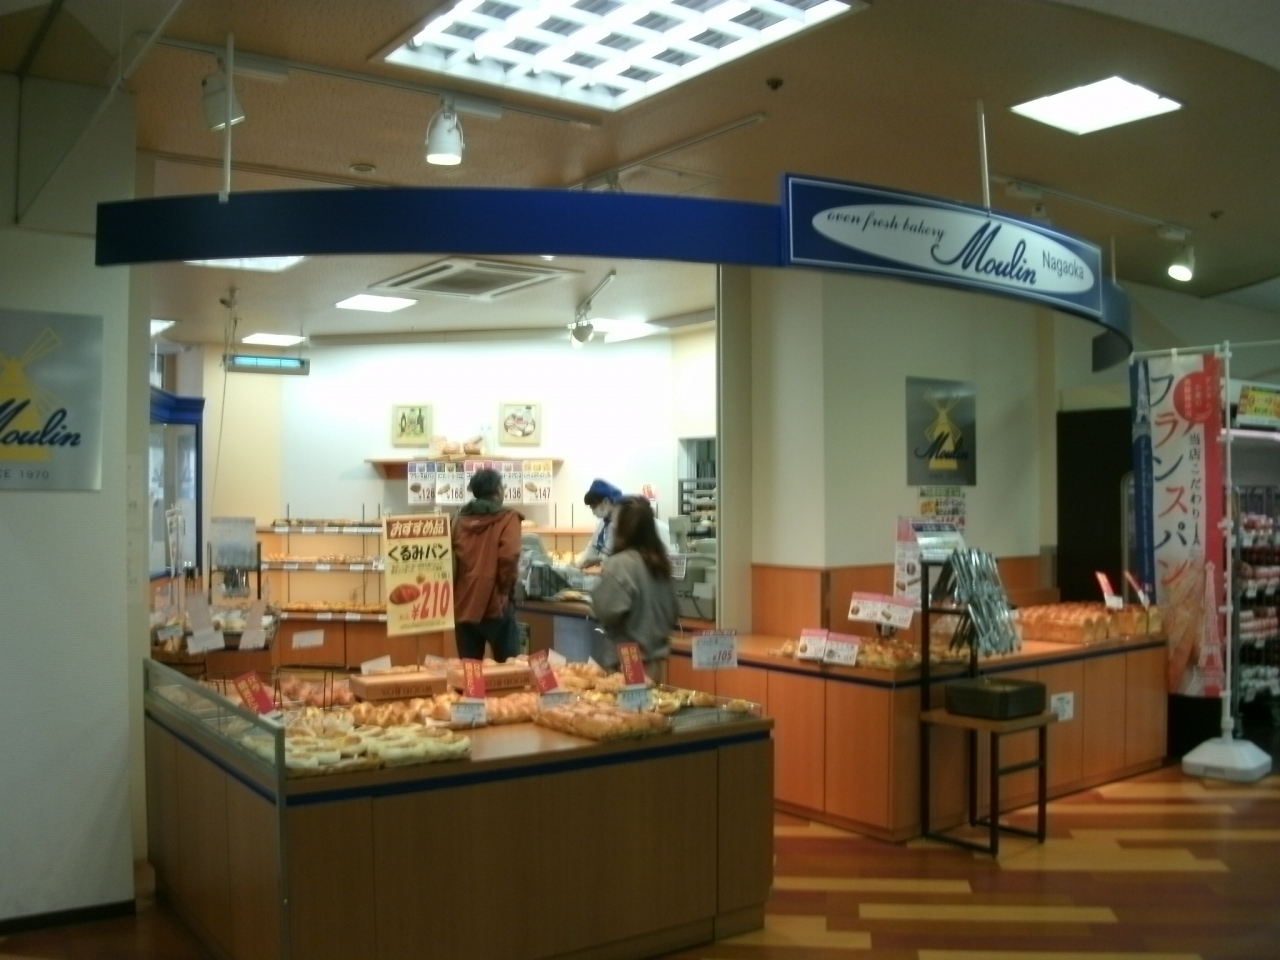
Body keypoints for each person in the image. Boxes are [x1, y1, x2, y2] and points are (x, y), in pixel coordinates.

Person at [590, 496, 678, 671]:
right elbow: (673, 612)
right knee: (649, 690)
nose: (611, 526)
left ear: (625, 527)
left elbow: (605, 609)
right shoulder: (661, 564)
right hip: (656, 661)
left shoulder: (621, 564)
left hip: (628, 661)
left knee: (628, 690)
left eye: (614, 521)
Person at [451, 467, 522, 662]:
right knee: (508, 669)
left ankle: (473, 686)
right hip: (496, 606)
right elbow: (509, 556)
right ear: (498, 490)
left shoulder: (458, 519)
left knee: (471, 670)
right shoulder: (508, 518)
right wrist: (505, 590)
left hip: (463, 606)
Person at [574, 478, 622, 569]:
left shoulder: (623, 522)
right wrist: (579, 564)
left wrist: (599, 559)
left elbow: (618, 555)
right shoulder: (604, 522)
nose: (593, 511)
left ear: (606, 502)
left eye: (594, 506)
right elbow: (593, 546)